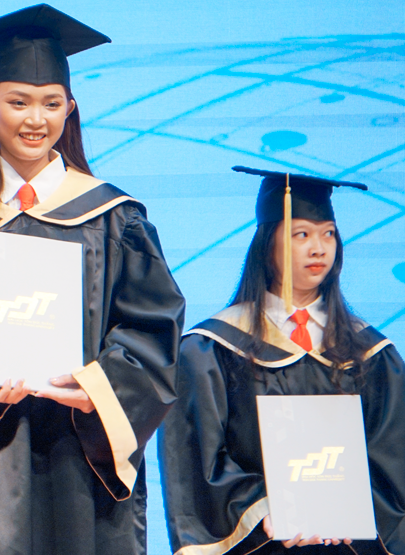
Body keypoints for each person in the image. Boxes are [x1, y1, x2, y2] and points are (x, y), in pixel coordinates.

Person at [0, 4, 186, 555]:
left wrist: (96, 387)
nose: (36, 119)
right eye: (18, 102)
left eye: (52, 103)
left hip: (80, 462)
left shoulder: (113, 219)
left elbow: (153, 333)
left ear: (70, 109)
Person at [158, 166, 405, 555]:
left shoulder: (372, 354)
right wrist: (262, 510)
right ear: (266, 244)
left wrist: (351, 510)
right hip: (262, 543)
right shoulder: (213, 349)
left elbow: (393, 457)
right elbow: (195, 461)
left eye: (328, 234)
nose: (318, 248)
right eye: (301, 234)